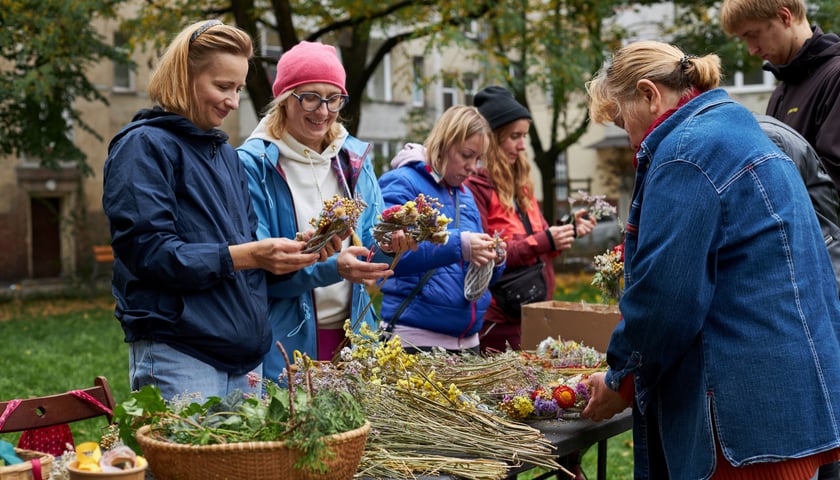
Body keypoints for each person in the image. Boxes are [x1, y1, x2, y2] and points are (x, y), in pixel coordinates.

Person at [580, 40, 840, 479]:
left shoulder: (686, 152)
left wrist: (619, 381)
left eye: (623, 121)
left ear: (649, 93)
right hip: (788, 410)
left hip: (742, 425)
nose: (628, 138)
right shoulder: (738, 131)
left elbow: (666, 300)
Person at [102, 21, 333, 402]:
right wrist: (249, 255)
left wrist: (288, 254)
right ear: (182, 77)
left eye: (239, 88)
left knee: (246, 464)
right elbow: (148, 252)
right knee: (189, 464)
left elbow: (242, 259)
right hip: (180, 352)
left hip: (245, 360)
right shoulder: (143, 147)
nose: (234, 101)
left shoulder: (225, 155)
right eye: (223, 86)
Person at [237, 41, 402, 382]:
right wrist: (334, 269)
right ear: (284, 97)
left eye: (334, 98)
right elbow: (258, 274)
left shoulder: (352, 159)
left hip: (355, 338)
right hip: (284, 341)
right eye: (310, 96)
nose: (324, 111)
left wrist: (392, 243)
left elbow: (370, 241)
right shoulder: (253, 164)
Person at [466, 85, 595, 353]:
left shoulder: (521, 184)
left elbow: (538, 246)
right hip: (498, 320)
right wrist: (545, 240)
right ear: (492, 137)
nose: (522, 145)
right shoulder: (476, 186)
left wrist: (566, 230)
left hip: (535, 312)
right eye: (515, 136)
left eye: (524, 136)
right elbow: (486, 254)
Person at [377, 105, 506, 354]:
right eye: (466, 154)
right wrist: (462, 245)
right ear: (443, 143)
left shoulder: (465, 195)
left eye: (477, 159)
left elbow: (471, 271)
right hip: (415, 342)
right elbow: (387, 255)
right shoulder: (403, 182)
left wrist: (494, 258)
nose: (472, 167)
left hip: (469, 343)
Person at [720, 0, 840, 190]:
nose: (752, 50)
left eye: (753, 35)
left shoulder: (835, 76)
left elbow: (832, 181)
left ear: (785, 17)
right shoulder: (781, 90)